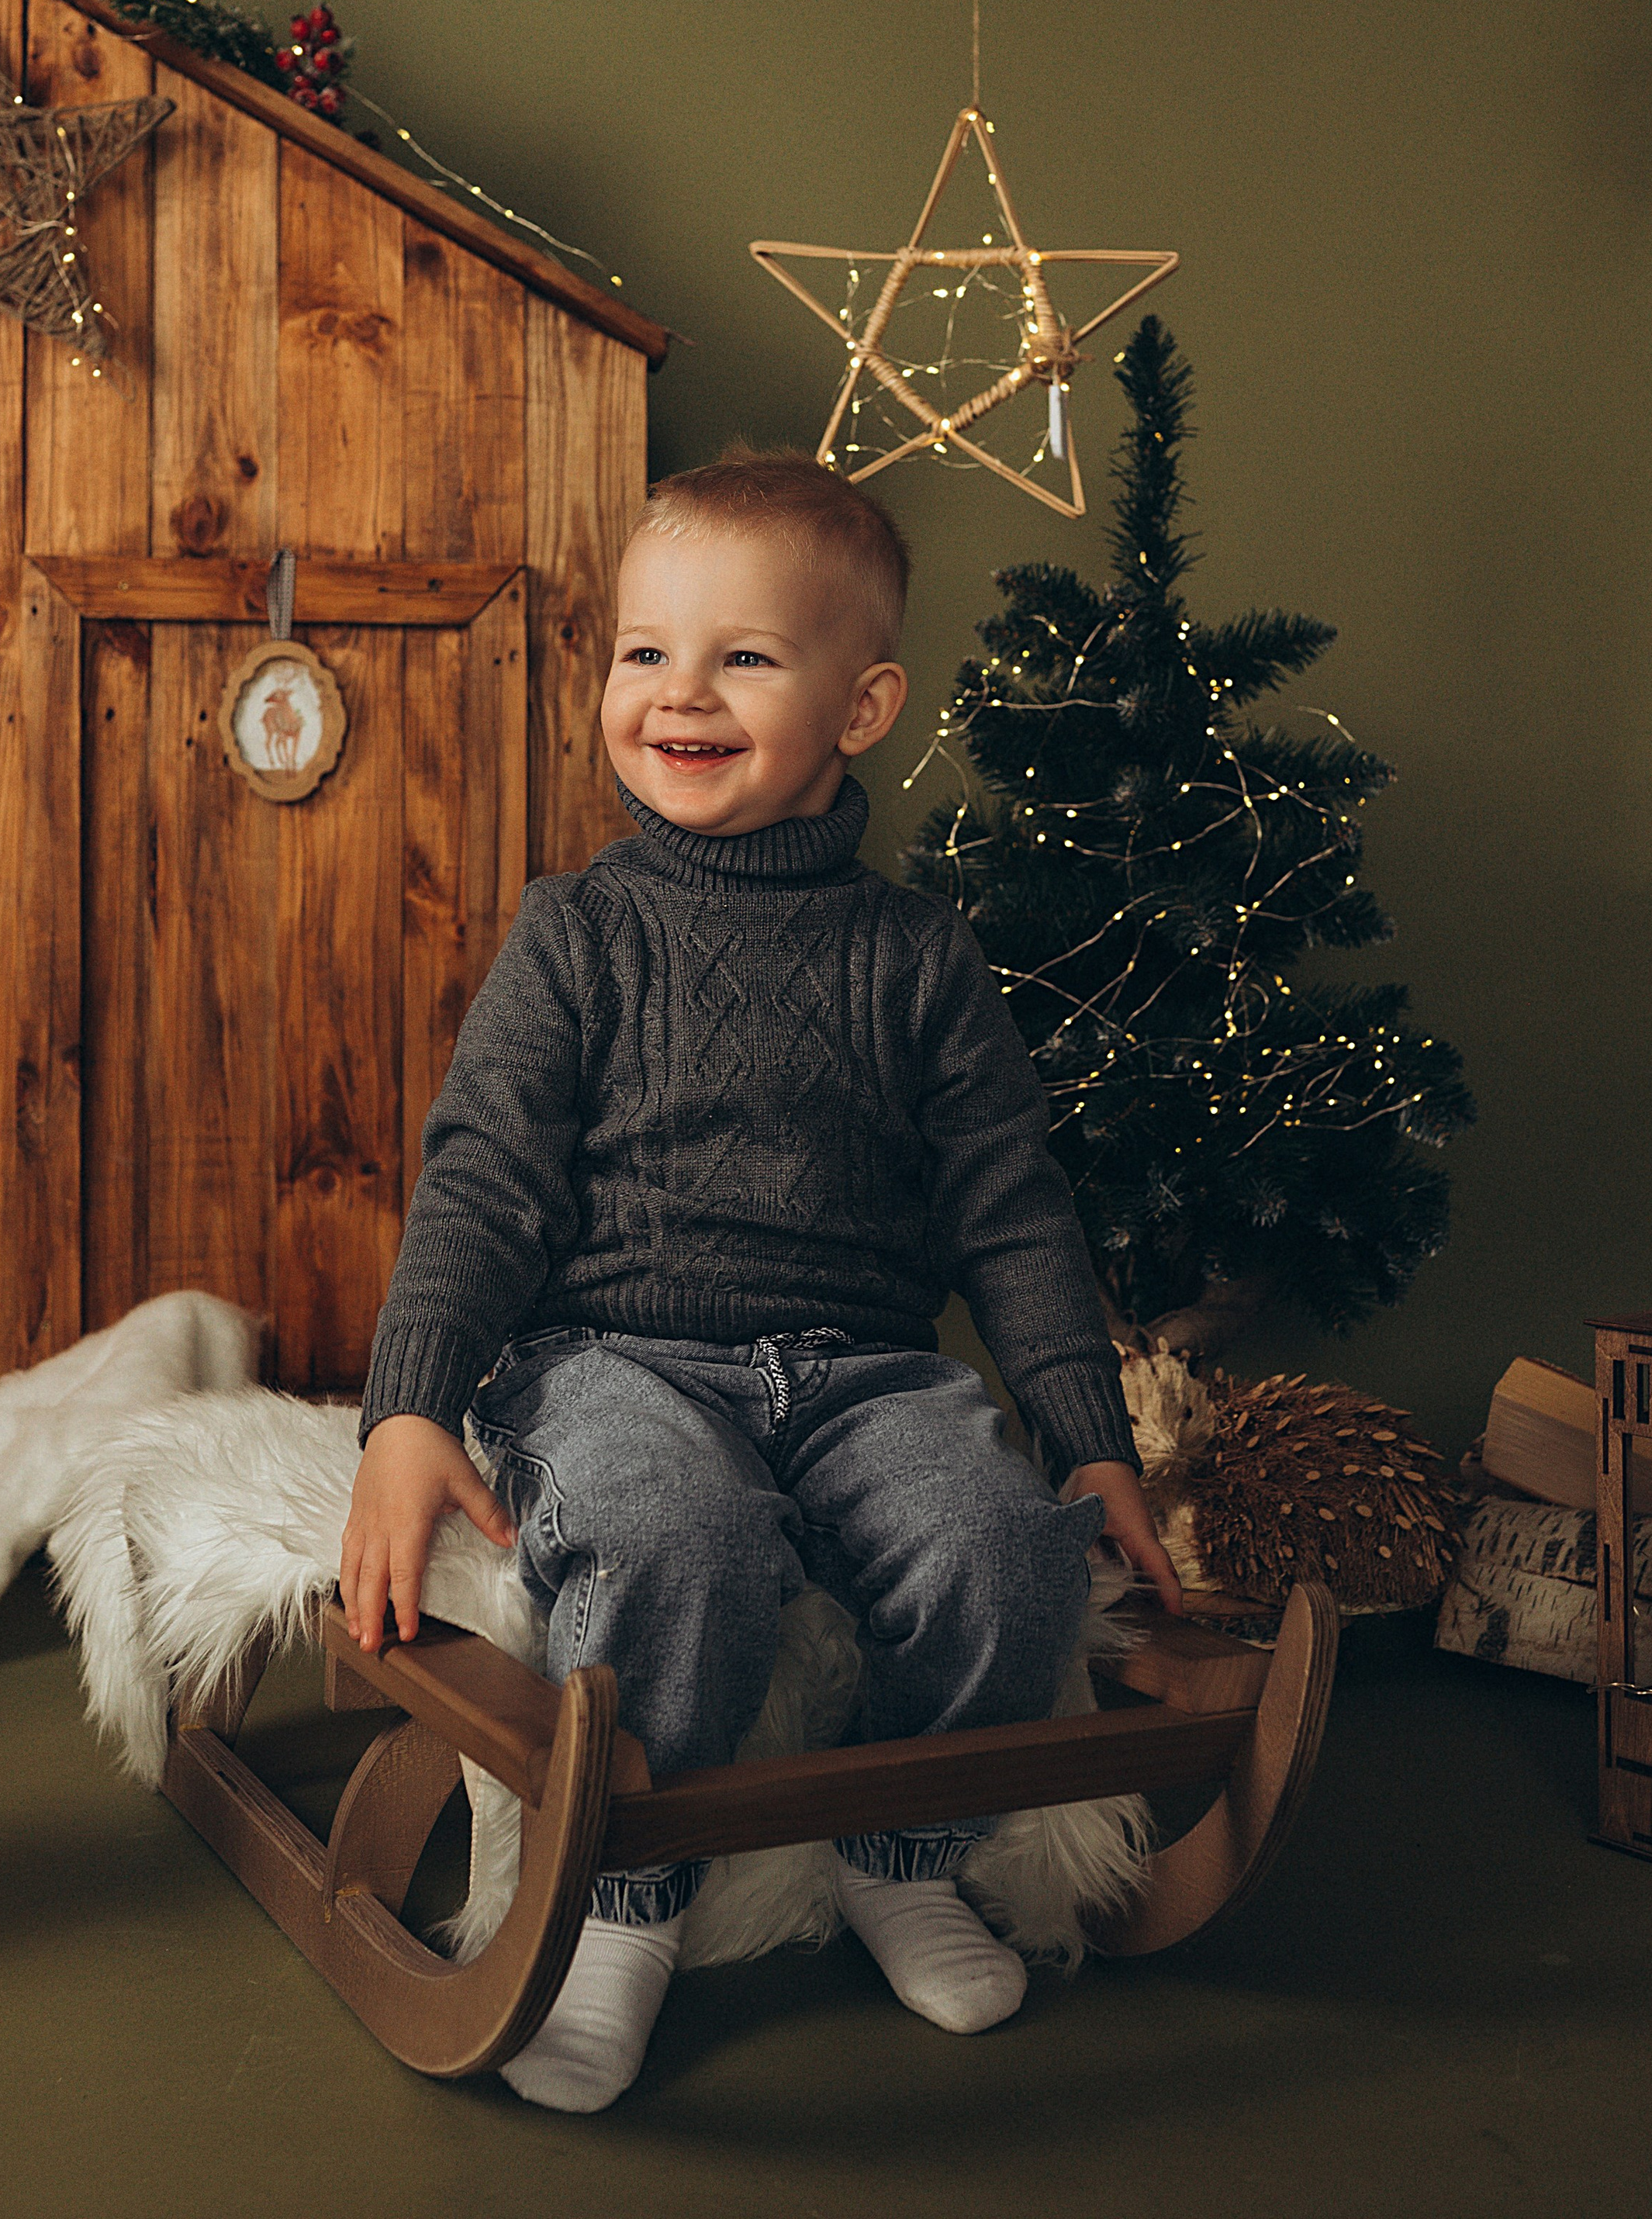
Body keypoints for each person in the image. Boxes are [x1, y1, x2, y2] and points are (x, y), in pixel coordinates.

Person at [340, 448, 1180, 2110]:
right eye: (644, 651)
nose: (678, 693)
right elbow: (486, 1177)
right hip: (616, 1361)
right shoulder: (575, 935)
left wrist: (1087, 1438)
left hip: (866, 1375)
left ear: (860, 707)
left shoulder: (918, 961)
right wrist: (409, 1407)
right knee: (675, 1536)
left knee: (1004, 1547)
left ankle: (899, 1855)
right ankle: (624, 1907)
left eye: (742, 656)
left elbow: (1010, 1211)